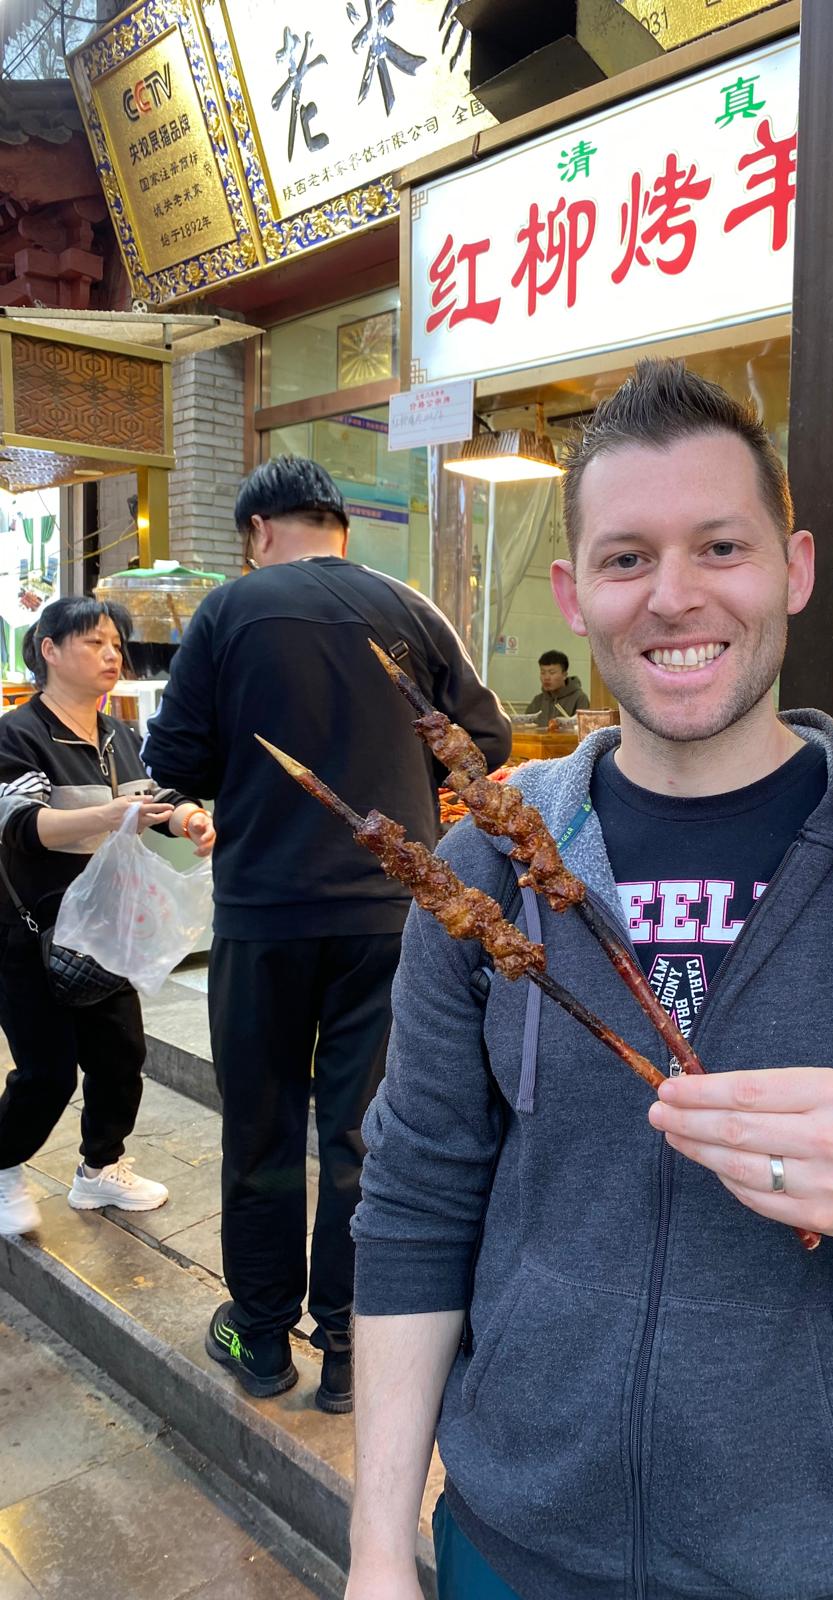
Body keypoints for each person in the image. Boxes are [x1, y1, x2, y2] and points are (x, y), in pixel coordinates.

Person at [346, 362, 833, 1600]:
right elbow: (416, 1207)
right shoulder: (483, 865)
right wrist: (381, 1549)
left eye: (720, 546)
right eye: (625, 558)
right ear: (574, 593)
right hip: (509, 1546)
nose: (673, 597)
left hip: (826, 1570)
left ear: (795, 568)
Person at [143, 457, 510, 1416]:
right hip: (395, 920)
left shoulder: (230, 613)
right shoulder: (413, 610)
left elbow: (173, 760)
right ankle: (349, 1348)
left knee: (261, 1131)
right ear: (338, 522)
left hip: (265, 916)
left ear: (260, 529)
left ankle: (262, 1341)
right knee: (364, 1137)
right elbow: (487, 743)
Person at [0, 598, 214, 1238]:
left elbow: (155, 796)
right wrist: (114, 817)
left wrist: (189, 819)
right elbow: (23, 827)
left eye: (116, 643)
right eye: (96, 642)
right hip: (32, 933)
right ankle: (3, 1164)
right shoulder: (19, 733)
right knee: (47, 1071)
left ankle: (100, 1168)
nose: (113, 654)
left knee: (121, 1055)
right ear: (49, 649)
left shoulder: (118, 733)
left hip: (108, 929)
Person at [525, 648, 589, 726]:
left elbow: (584, 728)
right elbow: (526, 727)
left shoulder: (579, 698)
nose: (546, 677)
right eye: (543, 672)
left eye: (552, 673)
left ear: (564, 675)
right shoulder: (538, 701)